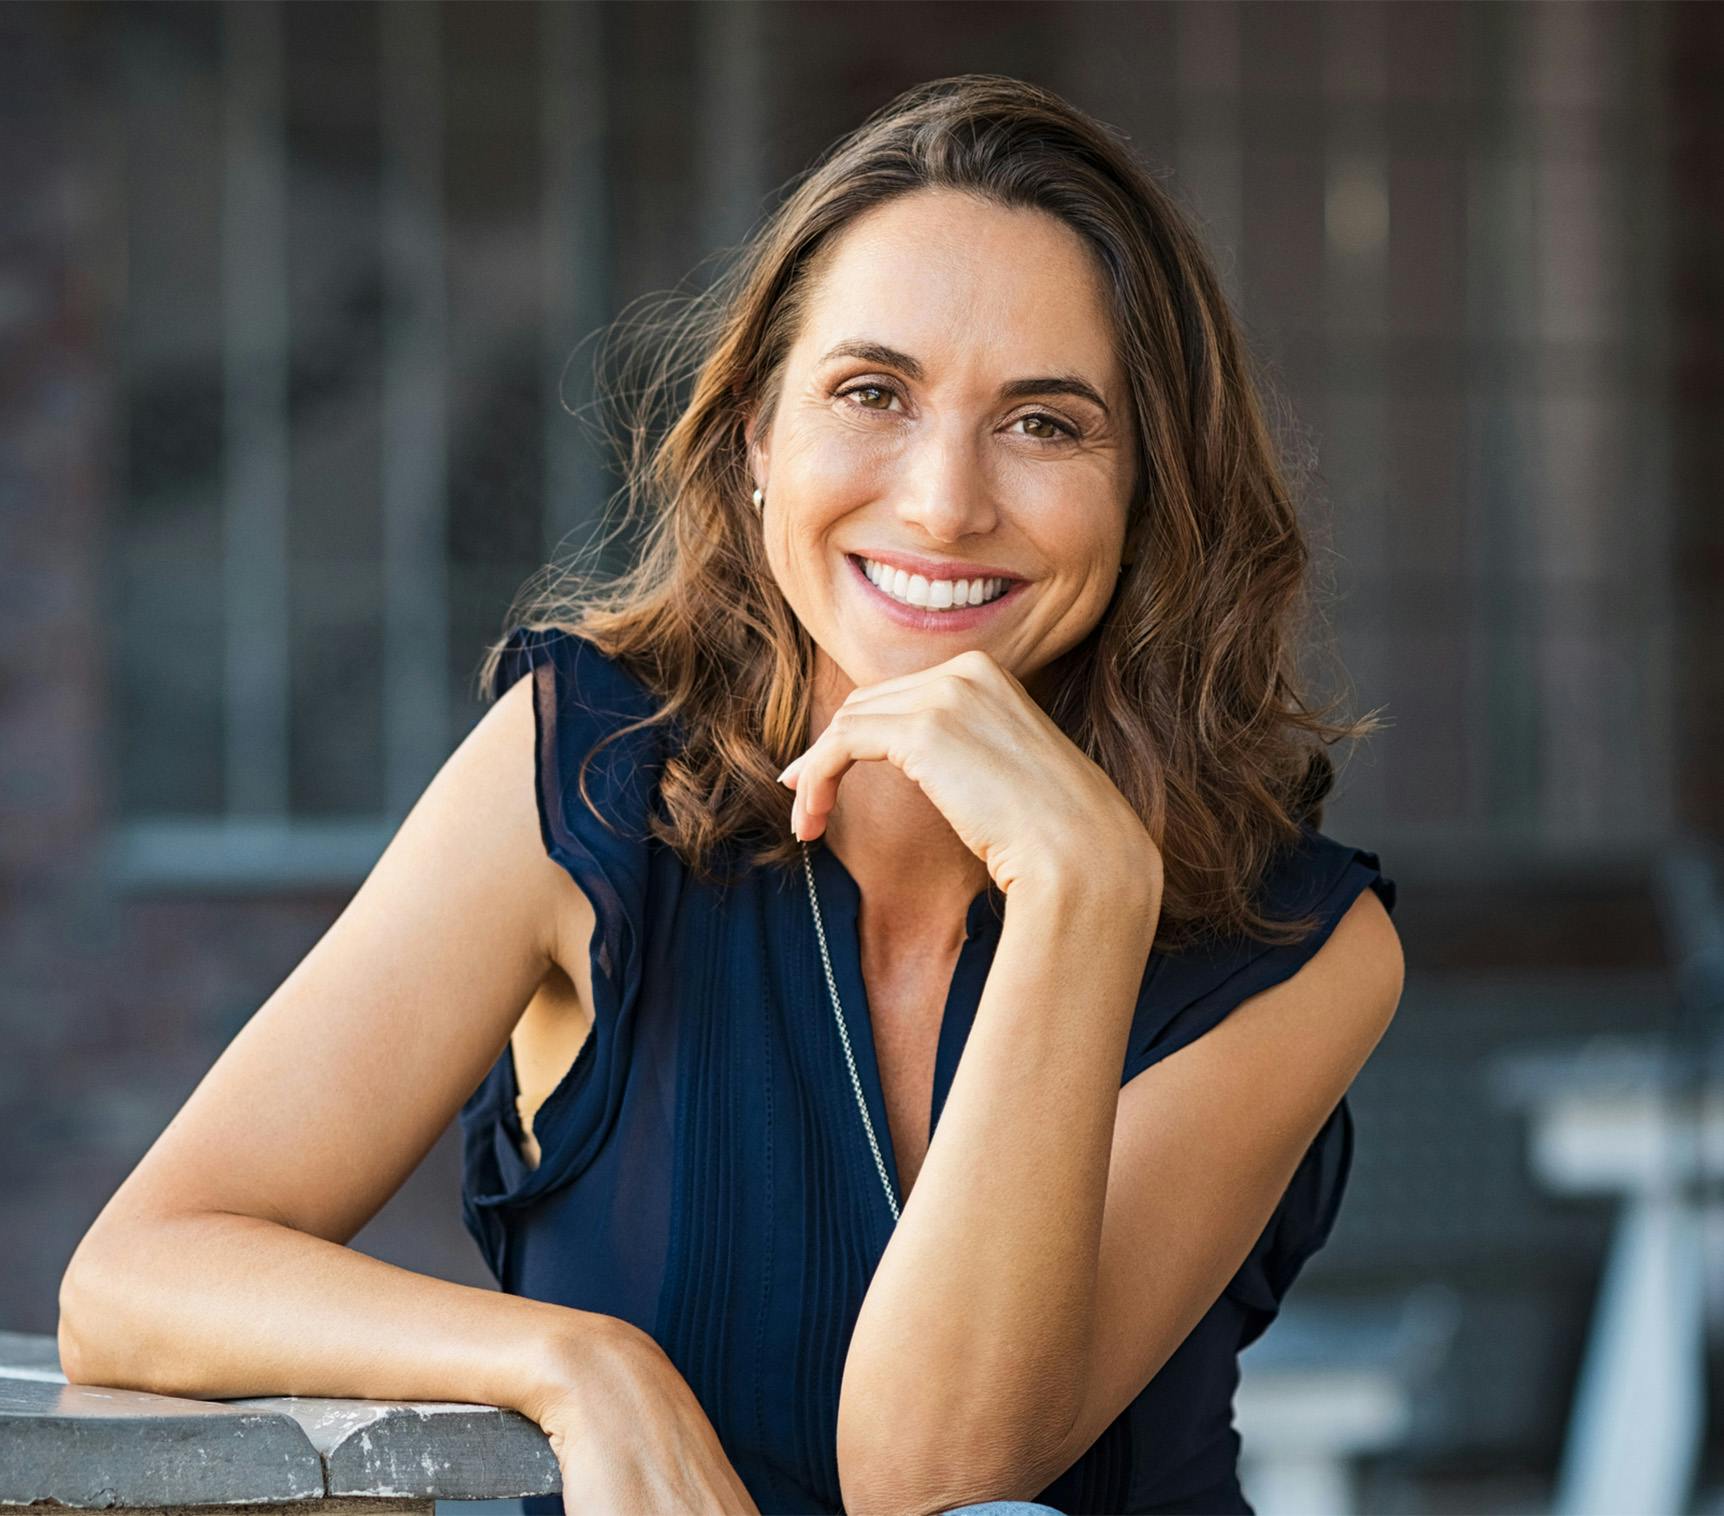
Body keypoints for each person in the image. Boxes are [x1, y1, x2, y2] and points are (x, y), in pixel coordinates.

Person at [59, 74, 1403, 1516]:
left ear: (1149, 491)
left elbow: (927, 1474)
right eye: (872, 394)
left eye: (1045, 424)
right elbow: (139, 1276)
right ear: (759, 439)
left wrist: (1085, 895)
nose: (944, 502)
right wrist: (578, 1364)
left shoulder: (1305, 947)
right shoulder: (581, 771)